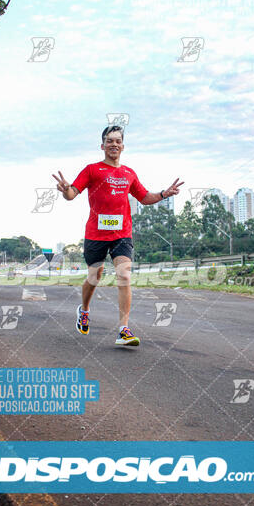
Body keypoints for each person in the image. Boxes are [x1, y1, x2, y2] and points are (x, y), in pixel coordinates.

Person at [53, 125, 183, 347]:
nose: (114, 144)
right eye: (109, 140)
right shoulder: (92, 170)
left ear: (123, 146)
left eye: (117, 141)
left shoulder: (129, 173)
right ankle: (84, 310)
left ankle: (124, 329)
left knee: (124, 275)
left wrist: (163, 194)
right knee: (95, 277)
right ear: (102, 145)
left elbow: (144, 197)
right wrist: (65, 190)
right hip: (95, 233)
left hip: (122, 234)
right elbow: (72, 194)